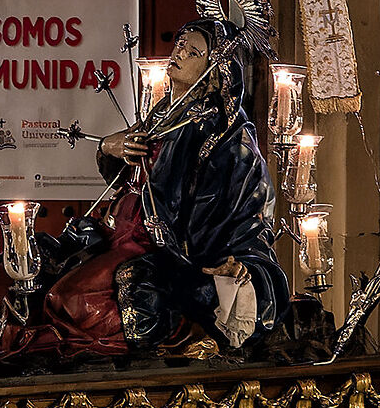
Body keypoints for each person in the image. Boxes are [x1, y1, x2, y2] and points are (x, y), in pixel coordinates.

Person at [90, 21, 289, 354]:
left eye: (193, 51)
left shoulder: (225, 133)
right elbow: (127, 173)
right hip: (129, 235)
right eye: (180, 43)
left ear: (214, 70)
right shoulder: (162, 115)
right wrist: (109, 147)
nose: (179, 52)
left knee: (91, 295)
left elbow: (248, 206)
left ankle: (178, 339)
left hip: (179, 250)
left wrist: (236, 259)